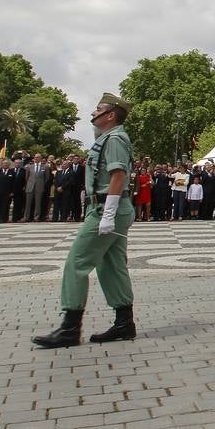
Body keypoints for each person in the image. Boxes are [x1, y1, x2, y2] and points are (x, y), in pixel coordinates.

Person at [33, 93, 137, 348]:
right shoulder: (109, 138)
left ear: (110, 115)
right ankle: (124, 323)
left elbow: (118, 176)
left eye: (98, 109)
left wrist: (109, 213)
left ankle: (70, 327)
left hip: (105, 207)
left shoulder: (114, 139)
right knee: (111, 265)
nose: (93, 114)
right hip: (108, 206)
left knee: (77, 263)